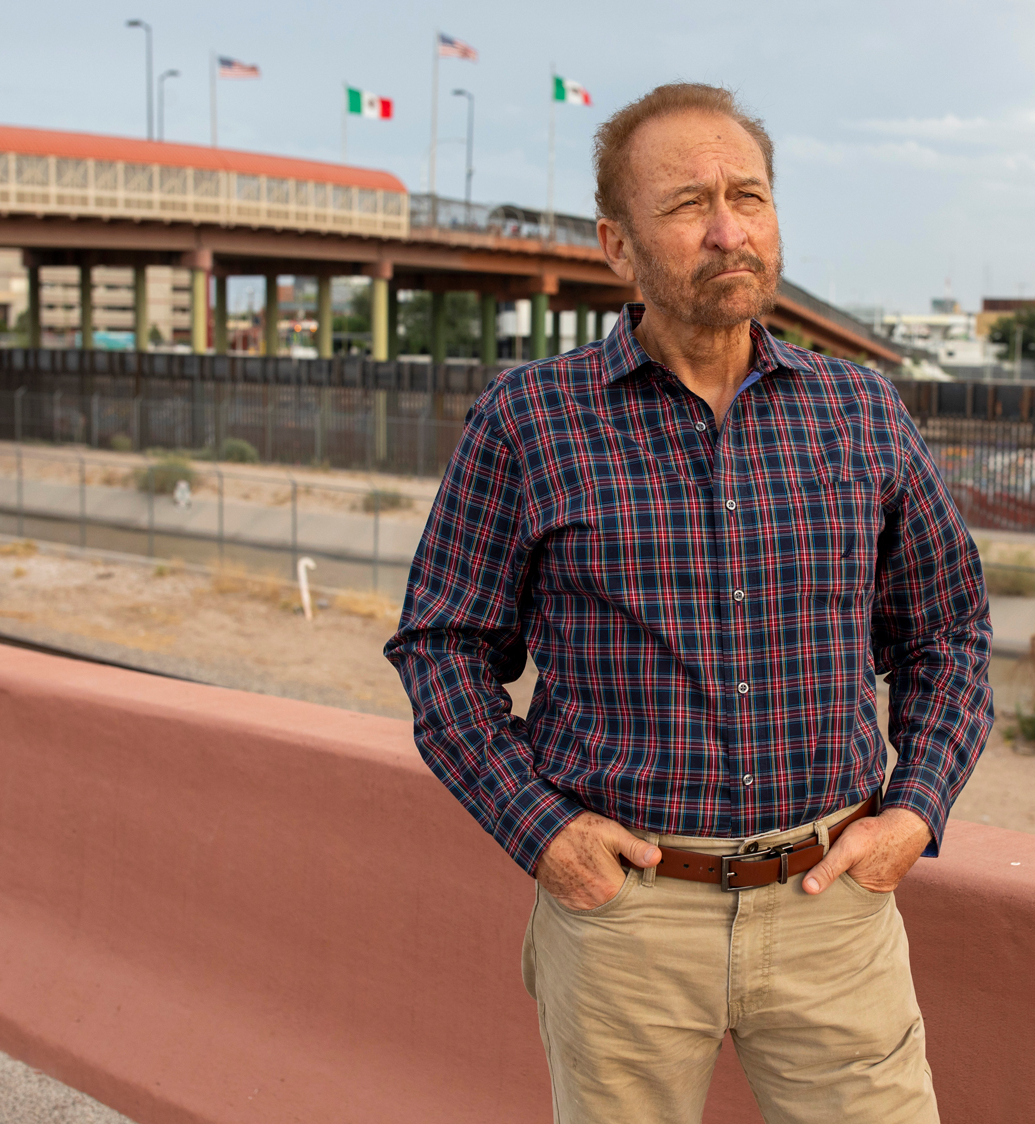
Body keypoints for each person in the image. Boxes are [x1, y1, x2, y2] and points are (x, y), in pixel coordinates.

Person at [385, 82, 992, 1124]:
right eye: (686, 205)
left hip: (832, 910)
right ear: (616, 246)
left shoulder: (860, 412)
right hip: (627, 922)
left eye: (746, 197)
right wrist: (542, 833)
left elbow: (948, 631)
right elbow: (442, 646)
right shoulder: (529, 421)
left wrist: (915, 811)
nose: (727, 230)